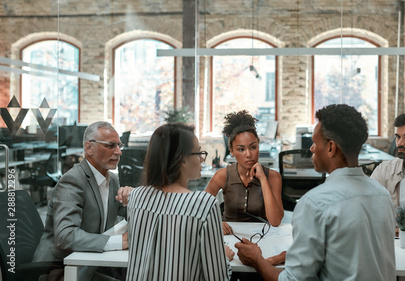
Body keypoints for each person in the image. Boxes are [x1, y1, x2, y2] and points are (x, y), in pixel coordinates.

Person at [235, 104, 396, 281]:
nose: (311, 148)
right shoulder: (382, 195)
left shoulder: (315, 203)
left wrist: (257, 259)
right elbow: (356, 256)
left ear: (330, 148)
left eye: (314, 142)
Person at [126, 123, 234, 281]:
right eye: (199, 153)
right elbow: (218, 277)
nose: (202, 158)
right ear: (182, 160)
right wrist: (223, 258)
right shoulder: (204, 204)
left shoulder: (136, 197)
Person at [32, 121, 134, 281]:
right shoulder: (72, 180)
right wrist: (119, 242)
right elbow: (66, 236)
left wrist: (134, 198)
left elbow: (125, 210)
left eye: (119, 146)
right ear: (89, 148)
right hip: (58, 269)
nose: (119, 152)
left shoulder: (111, 179)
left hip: (87, 263)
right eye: (111, 145)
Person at [205, 110, 283, 234]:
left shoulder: (273, 177)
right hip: (229, 237)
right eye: (241, 149)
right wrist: (216, 223)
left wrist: (263, 179)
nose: (248, 154)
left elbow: (275, 221)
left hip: (263, 236)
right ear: (231, 150)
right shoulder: (223, 175)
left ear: (259, 146)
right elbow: (200, 208)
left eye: (253, 147)